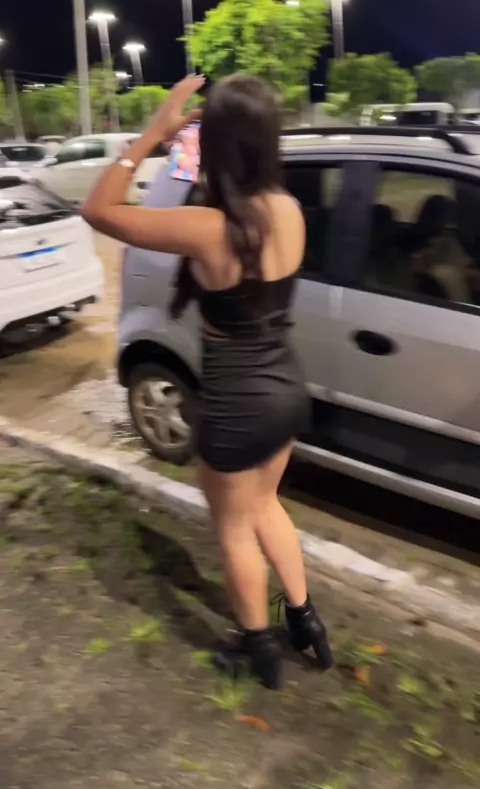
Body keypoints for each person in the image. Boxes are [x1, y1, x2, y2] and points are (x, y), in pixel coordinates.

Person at [81, 74, 333, 690]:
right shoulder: (288, 210)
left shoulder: (210, 227)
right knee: (265, 505)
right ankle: (305, 622)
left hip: (237, 401)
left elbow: (98, 210)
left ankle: (258, 648)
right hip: (285, 387)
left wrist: (154, 134)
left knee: (234, 528)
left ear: (216, 142)